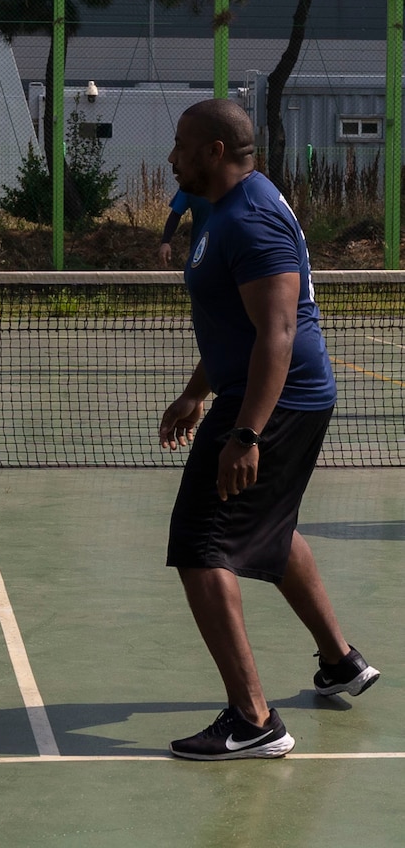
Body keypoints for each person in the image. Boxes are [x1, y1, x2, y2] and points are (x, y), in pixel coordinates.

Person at [159, 98, 378, 761]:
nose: (171, 156)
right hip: (261, 394)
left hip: (276, 401)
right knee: (272, 533)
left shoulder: (252, 218)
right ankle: (340, 662)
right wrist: (197, 393)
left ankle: (254, 720)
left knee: (201, 547)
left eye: (181, 144)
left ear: (214, 152)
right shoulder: (219, 209)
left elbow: (277, 335)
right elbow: (236, 322)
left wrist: (246, 434)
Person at [157, 187, 213, 267]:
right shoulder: (191, 183)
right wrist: (165, 242)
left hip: (228, 249)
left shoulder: (232, 182)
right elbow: (175, 215)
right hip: (200, 249)